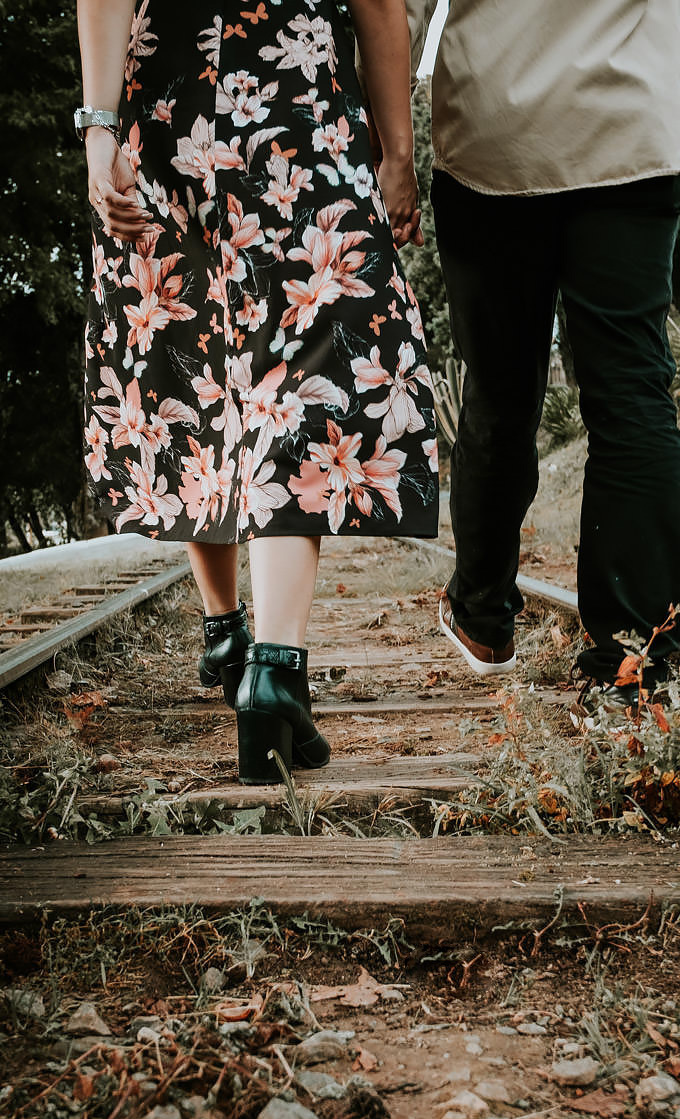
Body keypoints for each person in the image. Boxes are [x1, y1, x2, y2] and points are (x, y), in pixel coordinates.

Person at [77, 0, 437, 783]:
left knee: (188, 359)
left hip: (161, 103)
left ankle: (225, 634)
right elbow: (378, 4)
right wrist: (398, 151)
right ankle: (274, 670)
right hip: (293, 98)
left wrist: (100, 127)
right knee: (301, 363)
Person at [405, 0, 680, 698]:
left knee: (499, 387)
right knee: (631, 386)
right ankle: (633, 654)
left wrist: (386, 140)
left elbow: (400, 8)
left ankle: (483, 617)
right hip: (634, 120)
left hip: (494, 131)